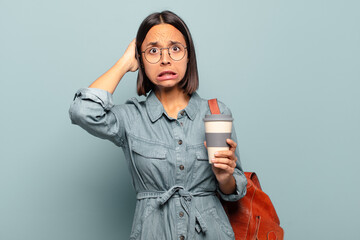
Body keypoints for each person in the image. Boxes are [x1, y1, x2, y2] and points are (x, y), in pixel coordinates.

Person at [69, 10, 247, 240]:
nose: (165, 59)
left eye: (175, 48)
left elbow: (236, 189)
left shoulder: (215, 112)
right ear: (141, 59)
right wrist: (123, 63)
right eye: (153, 51)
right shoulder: (131, 117)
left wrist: (224, 178)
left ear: (188, 55)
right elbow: (82, 111)